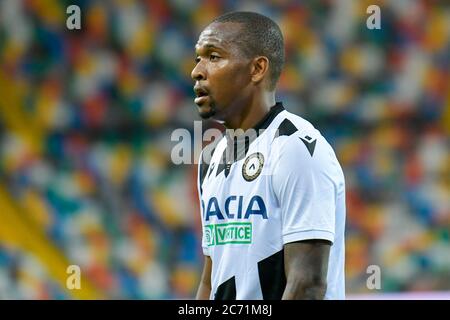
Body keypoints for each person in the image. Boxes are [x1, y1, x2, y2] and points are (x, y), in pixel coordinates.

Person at [191, 11, 346, 300]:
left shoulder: (297, 147)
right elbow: (211, 280)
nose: (197, 71)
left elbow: (308, 283)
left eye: (213, 56)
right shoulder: (211, 159)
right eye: (198, 58)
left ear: (257, 69)